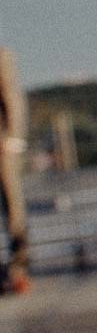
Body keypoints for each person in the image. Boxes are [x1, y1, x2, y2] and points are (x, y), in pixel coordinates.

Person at [0, 45, 30, 295]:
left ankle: (18, 267)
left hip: (2, 147)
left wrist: (11, 137)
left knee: (11, 205)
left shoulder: (1, 56)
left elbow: (11, 96)